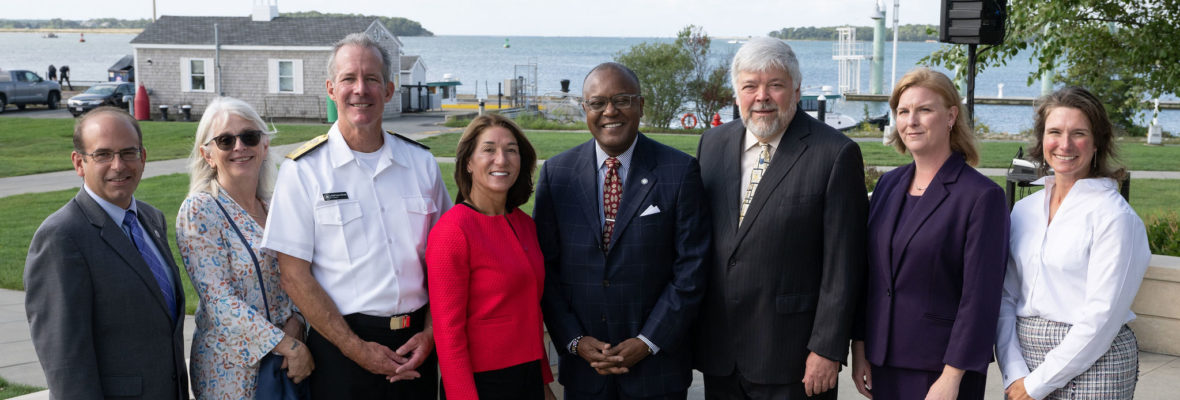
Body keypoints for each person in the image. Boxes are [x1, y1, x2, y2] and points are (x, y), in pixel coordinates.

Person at [261, 32, 450, 399]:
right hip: (341, 350)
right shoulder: (304, 171)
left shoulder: (421, 164)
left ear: (390, 89)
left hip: (417, 347)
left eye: (372, 79)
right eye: (349, 78)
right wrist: (356, 349)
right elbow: (294, 276)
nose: (360, 89)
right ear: (332, 89)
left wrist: (431, 334)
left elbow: (445, 263)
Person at [693, 36, 868, 399]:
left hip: (794, 359)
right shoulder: (712, 145)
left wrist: (827, 349)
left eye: (775, 85)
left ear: (796, 88)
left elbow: (845, 264)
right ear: (736, 92)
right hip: (722, 355)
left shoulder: (835, 154)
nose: (762, 97)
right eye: (750, 86)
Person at [535, 62, 710, 400]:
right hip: (585, 372)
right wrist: (574, 340)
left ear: (641, 105)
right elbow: (546, 271)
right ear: (585, 109)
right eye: (597, 103)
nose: (610, 111)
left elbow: (692, 270)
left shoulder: (679, 171)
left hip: (657, 372)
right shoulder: (557, 174)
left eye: (623, 99)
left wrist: (647, 342)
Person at [848, 68, 1009, 400]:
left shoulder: (980, 196)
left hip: (940, 369)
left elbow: (979, 299)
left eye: (924, 109)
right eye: (903, 112)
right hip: (883, 360)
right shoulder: (888, 185)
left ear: (951, 116)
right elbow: (871, 277)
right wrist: (861, 347)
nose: (911, 121)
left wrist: (951, 377)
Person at [996, 86, 1150, 400]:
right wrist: (1014, 371)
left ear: (1097, 142)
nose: (1064, 144)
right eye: (1055, 132)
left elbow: (1101, 318)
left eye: (1078, 133)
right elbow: (1006, 297)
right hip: (1024, 361)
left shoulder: (1115, 217)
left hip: (1095, 363)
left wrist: (1036, 385)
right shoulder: (1024, 210)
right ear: (1042, 139)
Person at [24, 106, 188, 399]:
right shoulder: (61, 237)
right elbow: (66, 365)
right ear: (79, 163)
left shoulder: (152, 220)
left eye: (128, 153)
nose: (118, 165)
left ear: (143, 157)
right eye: (102, 155)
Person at [177, 97, 314, 398]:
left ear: (264, 146)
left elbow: (302, 276)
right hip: (230, 370)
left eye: (249, 137)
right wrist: (288, 345)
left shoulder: (276, 207)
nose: (239, 147)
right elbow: (219, 301)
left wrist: (298, 322)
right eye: (225, 140)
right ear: (208, 154)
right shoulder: (200, 210)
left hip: (285, 365)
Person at [426, 114, 556, 400]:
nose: (502, 159)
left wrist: (544, 382)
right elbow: (448, 334)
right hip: (481, 384)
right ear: (468, 162)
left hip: (529, 377)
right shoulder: (452, 231)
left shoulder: (525, 225)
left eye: (512, 150)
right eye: (489, 149)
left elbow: (528, 313)